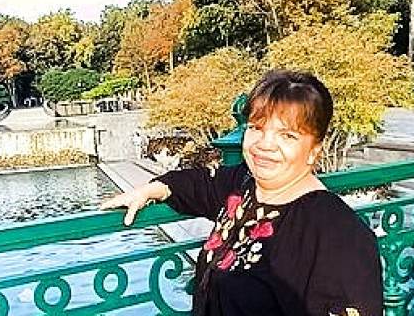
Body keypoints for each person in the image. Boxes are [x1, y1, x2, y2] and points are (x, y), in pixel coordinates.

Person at [101, 70, 383, 316]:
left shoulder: (339, 235)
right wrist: (153, 189)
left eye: (287, 135)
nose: (265, 144)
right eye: (257, 128)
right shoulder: (244, 186)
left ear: (314, 150)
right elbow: (199, 184)